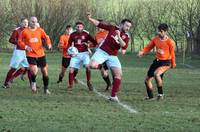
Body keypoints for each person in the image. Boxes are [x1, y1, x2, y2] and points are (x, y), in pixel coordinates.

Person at [87, 13, 132, 102]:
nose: (128, 28)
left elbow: (124, 46)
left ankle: (113, 96)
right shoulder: (112, 28)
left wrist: (118, 36)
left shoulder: (126, 36)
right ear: (122, 24)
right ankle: (101, 66)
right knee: (91, 65)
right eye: (127, 25)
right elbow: (99, 24)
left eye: (129, 27)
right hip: (102, 52)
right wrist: (90, 19)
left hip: (113, 55)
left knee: (118, 75)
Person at [137, 23, 176, 100]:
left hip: (166, 62)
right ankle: (150, 97)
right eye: (158, 31)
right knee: (147, 81)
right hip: (156, 62)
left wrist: (173, 63)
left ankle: (160, 95)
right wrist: (142, 52)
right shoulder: (156, 39)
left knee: (156, 74)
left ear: (165, 32)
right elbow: (148, 47)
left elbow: (172, 53)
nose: (159, 32)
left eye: (161, 31)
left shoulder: (170, 42)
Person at [18, 16, 52, 94]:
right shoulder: (24, 31)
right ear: (29, 22)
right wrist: (26, 46)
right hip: (30, 54)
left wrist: (49, 44)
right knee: (34, 71)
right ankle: (33, 83)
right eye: (32, 21)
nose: (34, 23)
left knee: (44, 72)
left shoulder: (40, 30)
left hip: (41, 54)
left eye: (35, 21)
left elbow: (46, 37)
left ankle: (46, 89)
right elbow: (19, 41)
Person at [2, 17, 32, 88]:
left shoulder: (29, 30)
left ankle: (32, 85)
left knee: (29, 67)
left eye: (27, 22)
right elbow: (11, 40)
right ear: (21, 23)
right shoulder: (17, 30)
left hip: (26, 52)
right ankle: (6, 83)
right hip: (18, 52)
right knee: (14, 68)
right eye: (24, 22)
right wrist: (19, 42)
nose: (26, 23)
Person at [67, 21, 97, 91]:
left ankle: (89, 82)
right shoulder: (72, 34)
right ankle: (70, 85)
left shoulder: (86, 34)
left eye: (80, 27)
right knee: (71, 70)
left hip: (85, 53)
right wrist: (70, 51)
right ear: (75, 27)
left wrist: (89, 45)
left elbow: (95, 43)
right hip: (75, 54)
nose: (79, 28)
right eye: (77, 27)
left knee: (87, 67)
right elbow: (69, 44)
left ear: (83, 27)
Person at [94, 20, 111, 91]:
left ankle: (112, 85)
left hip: (108, 54)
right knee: (103, 73)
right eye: (98, 26)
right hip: (100, 54)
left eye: (100, 25)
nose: (99, 27)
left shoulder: (108, 32)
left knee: (112, 70)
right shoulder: (97, 34)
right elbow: (96, 43)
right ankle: (109, 84)